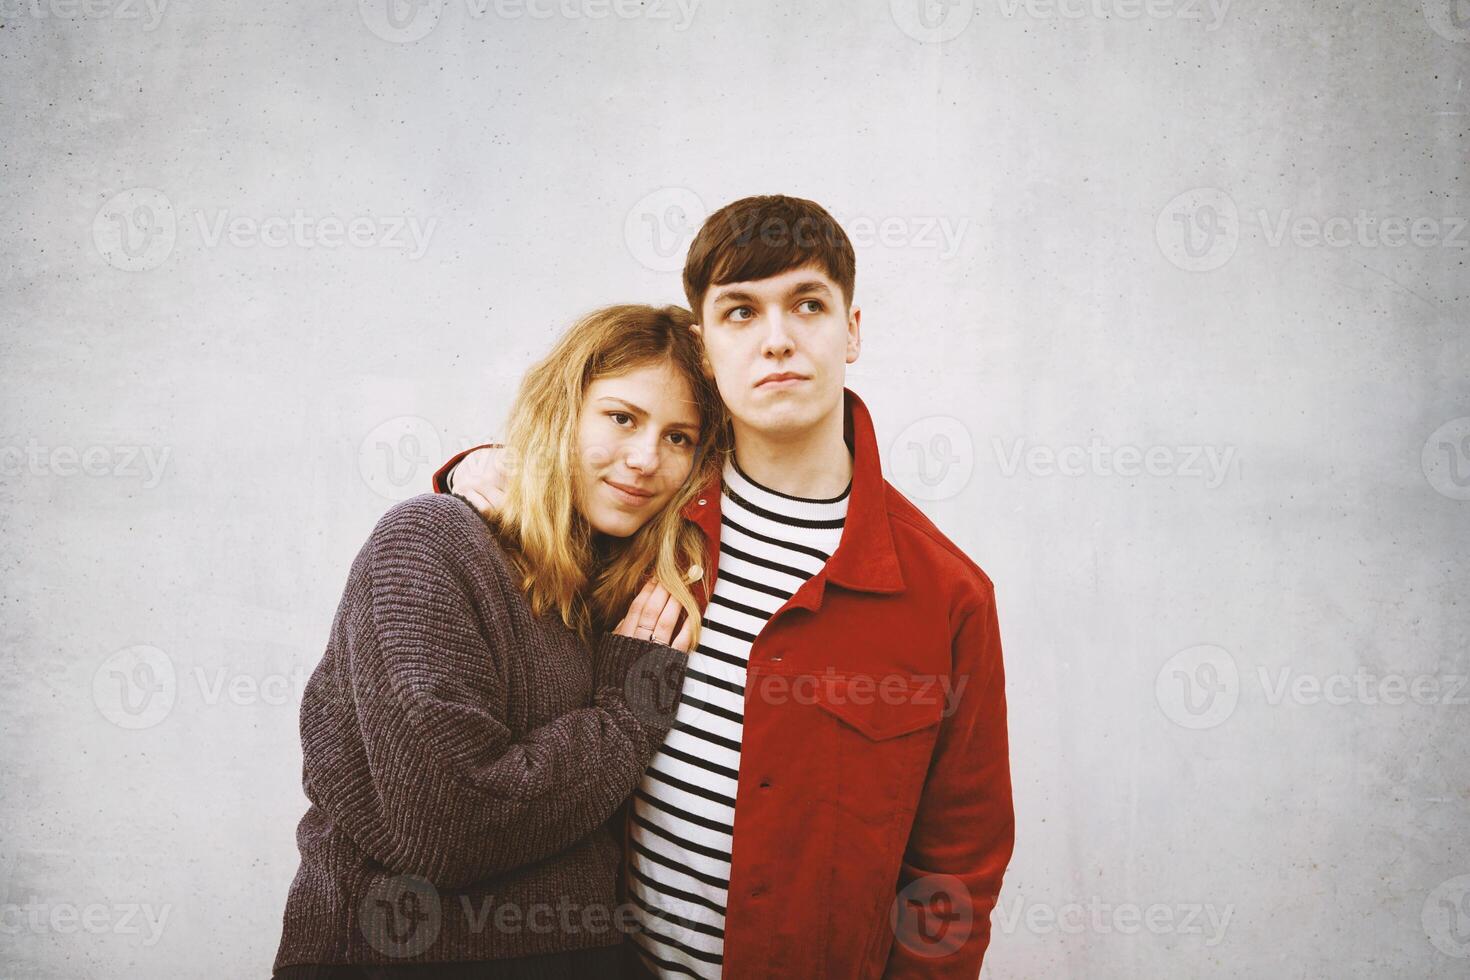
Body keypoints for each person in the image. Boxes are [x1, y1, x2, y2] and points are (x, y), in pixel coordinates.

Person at [439, 195, 1016, 979]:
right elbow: (550, 490)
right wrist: (471, 468)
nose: (777, 340)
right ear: (705, 347)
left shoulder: (947, 597)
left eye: (807, 305)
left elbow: (958, 868)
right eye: (740, 313)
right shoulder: (651, 515)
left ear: (851, 330)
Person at [272, 304, 728, 979]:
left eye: (679, 437)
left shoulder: (621, 586)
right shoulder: (428, 544)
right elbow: (452, 826)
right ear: (561, 410)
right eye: (622, 418)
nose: (644, 460)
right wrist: (631, 711)